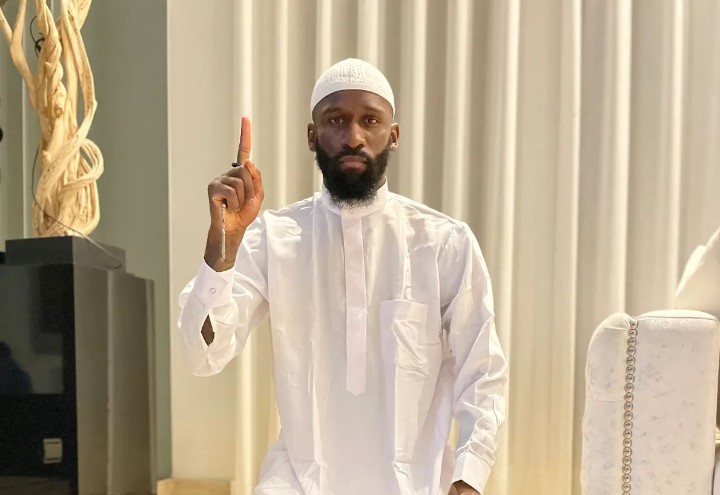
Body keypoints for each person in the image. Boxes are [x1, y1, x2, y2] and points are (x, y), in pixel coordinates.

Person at [178, 58, 508, 495]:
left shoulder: (443, 242)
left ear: (393, 135)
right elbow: (203, 353)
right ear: (312, 136)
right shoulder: (275, 238)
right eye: (336, 120)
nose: (353, 137)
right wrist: (223, 246)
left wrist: (468, 478)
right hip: (300, 480)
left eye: (369, 120)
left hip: (417, 482)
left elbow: (481, 370)